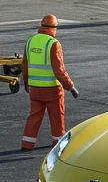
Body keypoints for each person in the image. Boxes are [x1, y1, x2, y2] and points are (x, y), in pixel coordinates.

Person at [21, 14, 78, 151]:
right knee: (57, 116)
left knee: (34, 116)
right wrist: (70, 86)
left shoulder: (30, 41)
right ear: (53, 28)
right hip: (52, 89)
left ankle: (27, 143)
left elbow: (25, 64)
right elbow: (59, 70)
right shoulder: (53, 44)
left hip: (35, 88)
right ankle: (58, 144)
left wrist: (26, 82)